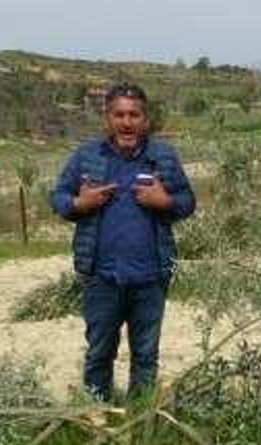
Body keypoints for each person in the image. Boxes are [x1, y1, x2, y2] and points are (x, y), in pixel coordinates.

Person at [50, 83, 196, 403]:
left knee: (145, 356)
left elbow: (188, 202)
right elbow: (57, 197)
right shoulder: (87, 156)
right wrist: (79, 203)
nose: (126, 122)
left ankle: (139, 420)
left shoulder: (163, 157)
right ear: (107, 118)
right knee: (99, 353)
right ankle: (97, 418)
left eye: (134, 115)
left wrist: (165, 201)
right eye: (119, 114)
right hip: (101, 277)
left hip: (151, 277)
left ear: (145, 120)